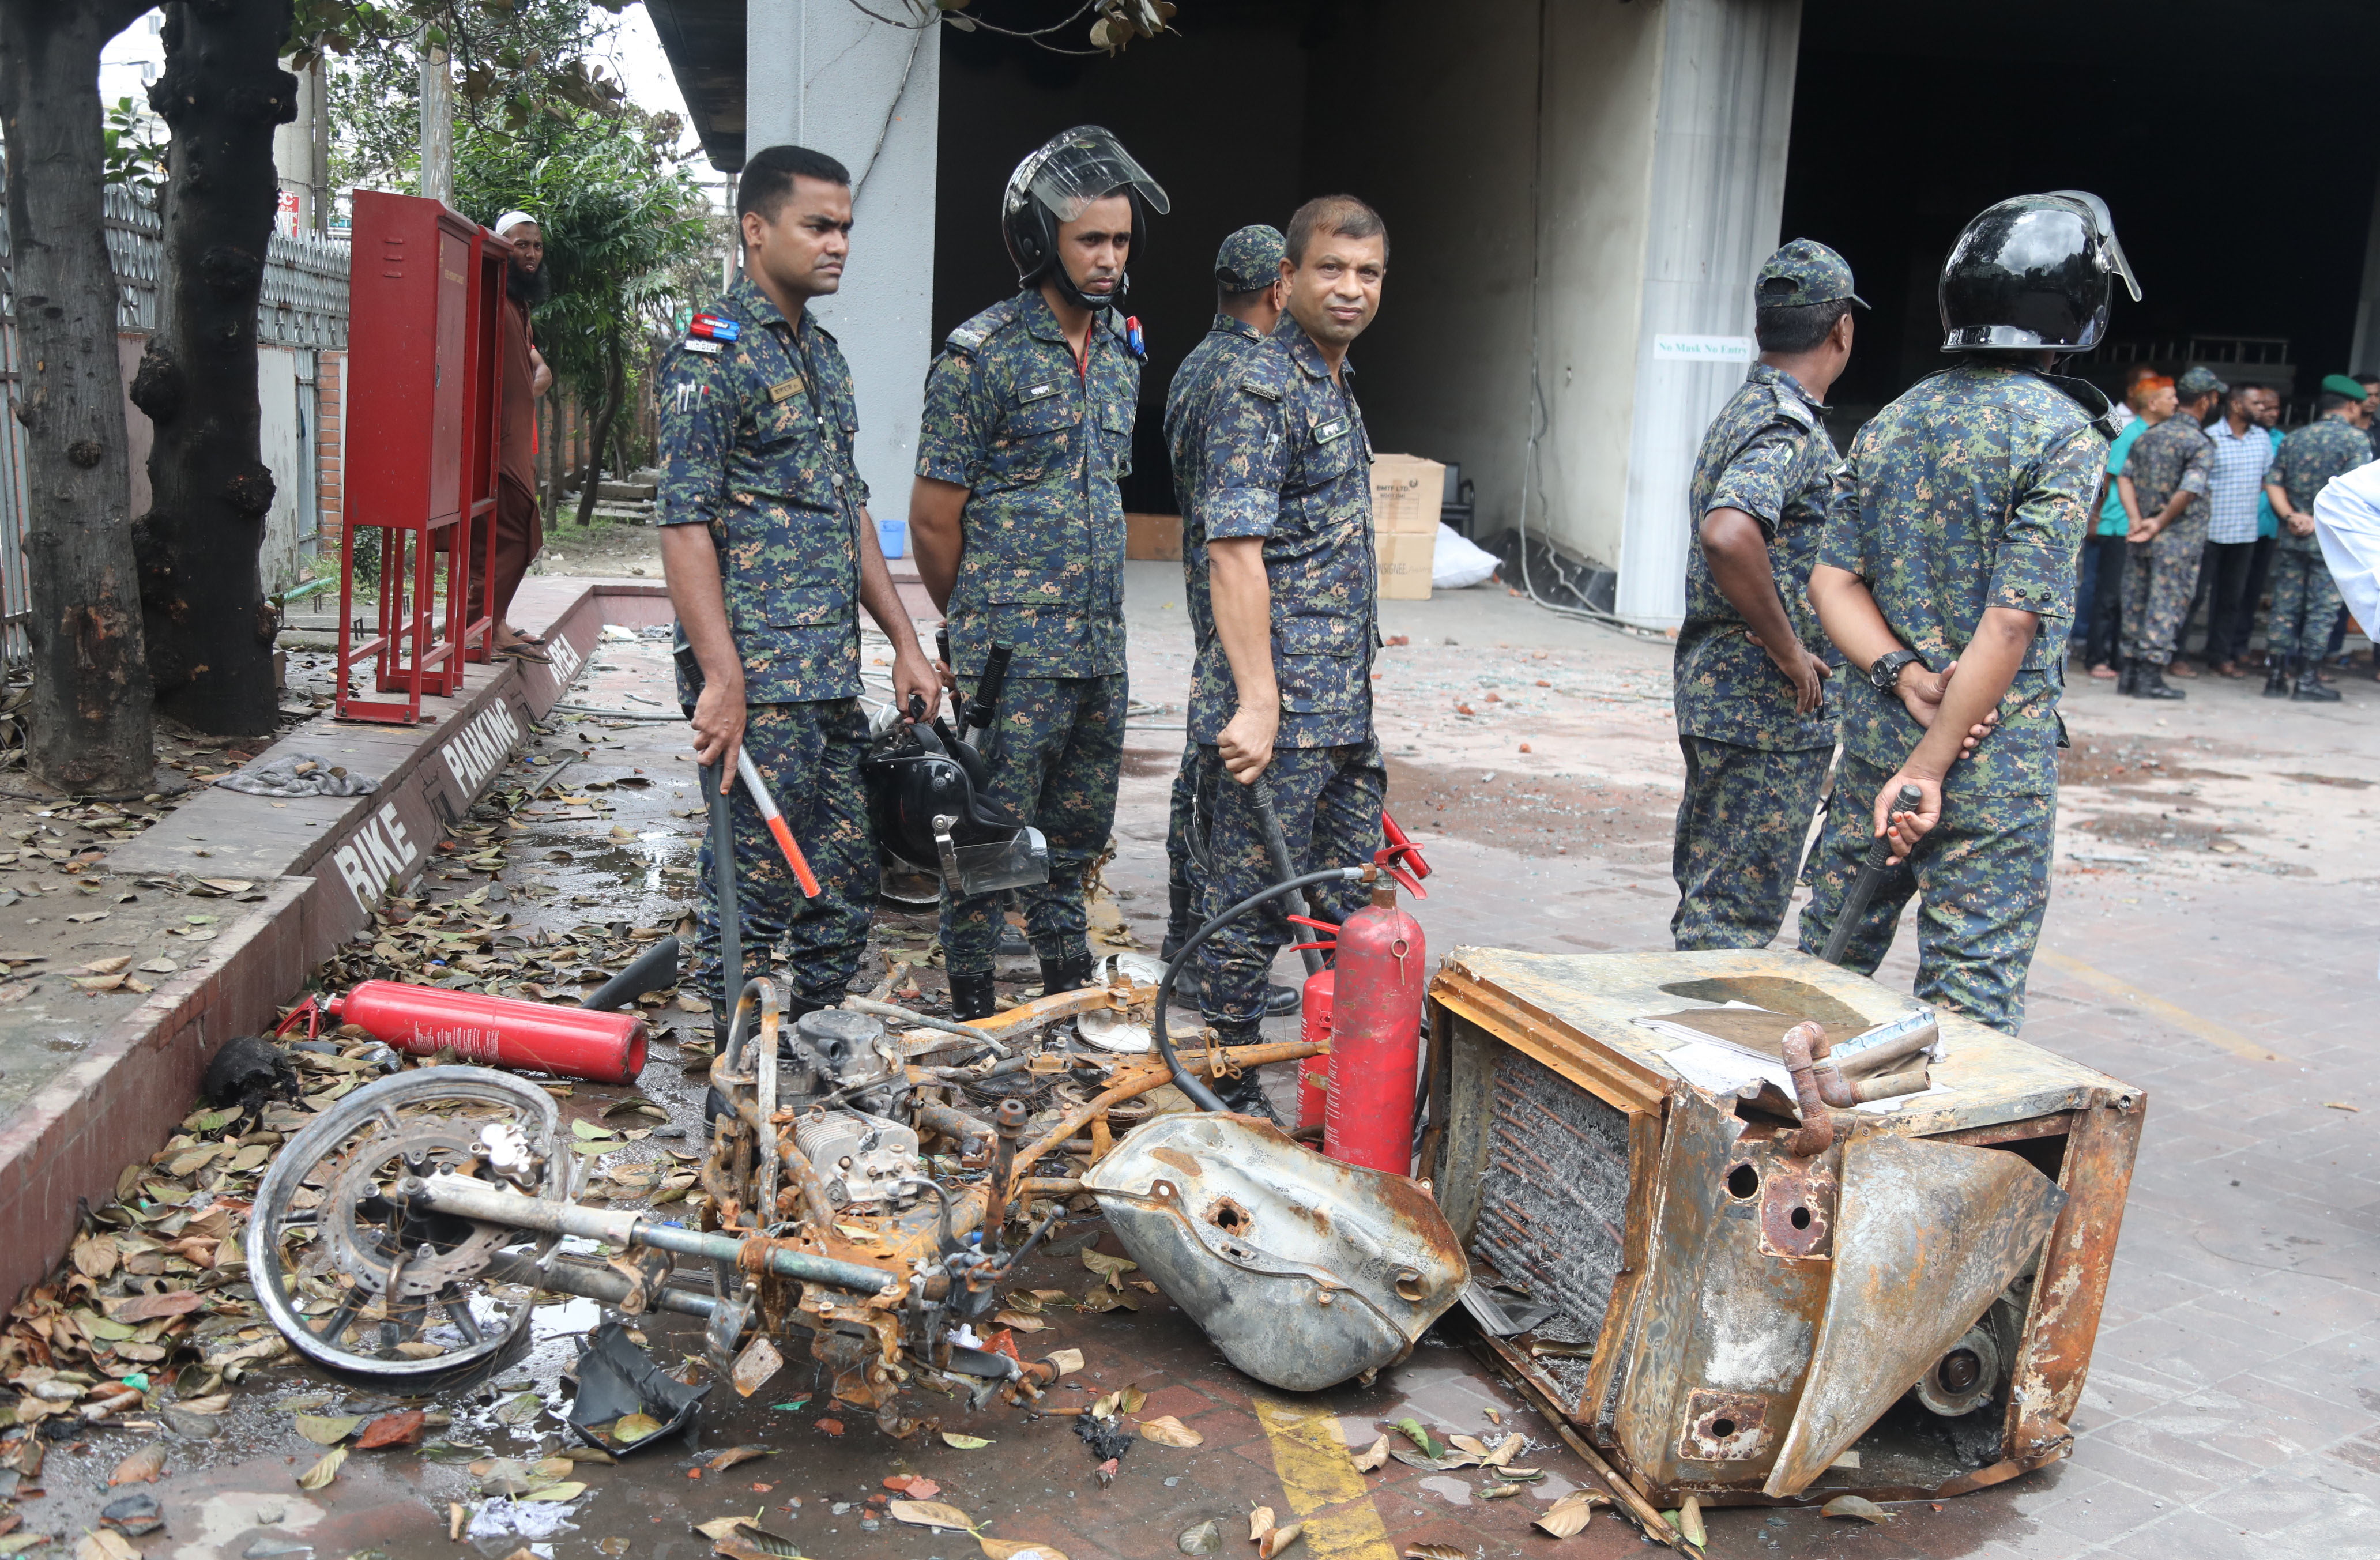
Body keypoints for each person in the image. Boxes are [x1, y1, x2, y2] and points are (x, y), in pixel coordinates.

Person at [1798, 190, 2131, 1034]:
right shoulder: (2063, 435)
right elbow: (2012, 621)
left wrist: (1901, 675)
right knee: (1968, 1016)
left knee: (1823, 978)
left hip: (1877, 751)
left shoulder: (1892, 422)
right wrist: (1935, 765)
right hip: (1984, 774)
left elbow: (1832, 582)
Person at [657, 145, 940, 1033]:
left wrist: (902, 641)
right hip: (757, 675)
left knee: (846, 882)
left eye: (847, 227)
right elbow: (683, 523)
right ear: (755, 228)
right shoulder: (713, 356)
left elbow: (850, 510)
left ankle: (812, 1046)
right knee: (753, 877)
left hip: (823, 672)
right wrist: (721, 676)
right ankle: (730, 1060)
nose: (840, 244)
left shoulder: (824, 357)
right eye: (818, 225)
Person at [910, 126, 1166, 1020]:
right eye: (1090, 240)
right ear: (1040, 240)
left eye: (1121, 241)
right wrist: (975, 625)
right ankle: (976, 1006)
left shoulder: (1126, 352)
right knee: (988, 838)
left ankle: (1062, 992)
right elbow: (934, 520)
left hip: (1100, 648)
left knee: (1074, 833)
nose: (1107, 259)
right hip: (1012, 655)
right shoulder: (981, 355)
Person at [1186, 194, 1392, 1115]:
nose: (1351, 289)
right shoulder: (1257, 389)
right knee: (1247, 914)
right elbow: (1233, 553)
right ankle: (1223, 1105)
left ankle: (1338, 1099)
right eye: (1332, 270)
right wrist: (1259, 700)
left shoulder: (1332, 387)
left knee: (1347, 909)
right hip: (1282, 713)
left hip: (1340, 708)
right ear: (1288, 280)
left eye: (1369, 272)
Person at [1668, 239, 1858, 950]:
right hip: (1764, 711)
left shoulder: (1748, 408)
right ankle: (1697, 1057)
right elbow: (1729, 532)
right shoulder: (1786, 426)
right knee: (1733, 920)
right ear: (1841, 329)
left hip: (1728, 698)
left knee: (1714, 897)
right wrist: (1789, 651)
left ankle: (1683, 1044)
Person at [1159, 224, 1298, 1014]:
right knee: (1238, 783)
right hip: (1241, 591)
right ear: (1280, 286)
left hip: (1199, 585)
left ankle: (1185, 935)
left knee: (1202, 762)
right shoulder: (1255, 372)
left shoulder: (1191, 367)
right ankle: (1223, 968)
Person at [2262, 375, 2374, 700]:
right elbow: (2353, 492)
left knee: (2285, 605)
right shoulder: (2356, 441)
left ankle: (2275, 678)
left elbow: (2273, 482)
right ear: (2352, 405)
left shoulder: (2294, 439)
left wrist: (2291, 517)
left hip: (2293, 536)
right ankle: (2307, 680)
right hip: (2330, 542)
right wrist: (2316, 520)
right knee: (2322, 609)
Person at [2118, 365, 2225, 699]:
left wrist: (2137, 519)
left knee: (2136, 601)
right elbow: (2190, 489)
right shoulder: (2199, 442)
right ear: (2206, 402)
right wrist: (2160, 522)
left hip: (2143, 536)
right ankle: (2149, 677)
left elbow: (2124, 477)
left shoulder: (2149, 435)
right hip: (2177, 539)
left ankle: (2130, 675)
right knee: (2166, 604)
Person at [480, 211, 554, 661]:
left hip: (515, 442)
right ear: (500, 245)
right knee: (512, 531)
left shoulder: (517, 307)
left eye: (537, 246)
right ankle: (484, 628)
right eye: (520, 244)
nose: (530, 253)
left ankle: (497, 623)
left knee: (517, 532)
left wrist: (529, 384)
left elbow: (540, 367)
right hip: (494, 445)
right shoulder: (491, 300)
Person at [2082, 374, 2170, 677]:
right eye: (2170, 397)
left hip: (2133, 526)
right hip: (2117, 525)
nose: (2176, 403)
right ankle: (2096, 658)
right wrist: (2096, 517)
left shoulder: (2156, 433)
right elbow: (2108, 476)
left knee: (2126, 598)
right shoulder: (2132, 433)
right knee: (2108, 597)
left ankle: (2118, 658)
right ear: (2153, 403)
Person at [2193, 382, 2277, 677]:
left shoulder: (2262, 440)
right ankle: (2175, 655)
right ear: (2238, 406)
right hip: (2209, 532)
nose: (2263, 410)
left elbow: (2269, 479)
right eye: (2257, 404)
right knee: (2195, 596)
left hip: (2244, 533)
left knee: (2232, 599)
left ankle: (2220, 655)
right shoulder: (2210, 437)